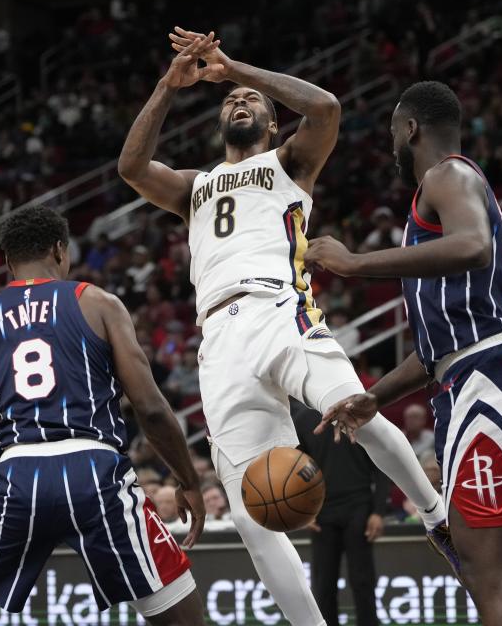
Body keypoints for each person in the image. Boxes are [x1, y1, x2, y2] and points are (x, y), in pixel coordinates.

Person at [117, 31, 452, 625]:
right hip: (218, 339)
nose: (237, 103)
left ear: (272, 123)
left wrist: (231, 69)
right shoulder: (193, 187)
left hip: (280, 311)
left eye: (250, 100)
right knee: (251, 514)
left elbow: (325, 108)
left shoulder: (289, 162)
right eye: (229, 101)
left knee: (357, 407)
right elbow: (132, 166)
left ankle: (434, 515)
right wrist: (170, 85)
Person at [304, 81, 502, 625]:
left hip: (491, 379)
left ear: (410, 129)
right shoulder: (454, 188)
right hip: (500, 367)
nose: (389, 148)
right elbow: (440, 346)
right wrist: (373, 397)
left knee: (487, 569)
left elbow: (473, 245)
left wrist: (355, 263)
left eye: (391, 135)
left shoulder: (447, 174)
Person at [0, 206, 207, 625]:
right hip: (93, 468)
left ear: (7, 261)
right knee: (179, 613)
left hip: (19, 471)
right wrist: (188, 480)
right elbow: (150, 408)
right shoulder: (96, 302)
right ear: (61, 250)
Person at [293, 402, 390, 626]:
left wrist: (378, 512)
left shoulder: (357, 413)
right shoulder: (301, 420)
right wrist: (305, 511)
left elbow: (381, 465)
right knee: (323, 584)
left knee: (363, 581)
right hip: (321, 511)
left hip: (359, 507)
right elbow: (294, 469)